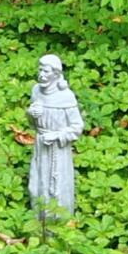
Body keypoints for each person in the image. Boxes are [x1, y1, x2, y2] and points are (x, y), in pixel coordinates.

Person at [27, 54, 82, 219]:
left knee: (57, 186)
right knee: (36, 184)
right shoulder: (36, 91)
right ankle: (39, 221)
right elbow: (32, 124)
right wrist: (31, 114)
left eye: (46, 71)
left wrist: (57, 135)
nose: (42, 75)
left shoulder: (66, 97)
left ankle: (59, 223)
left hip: (58, 150)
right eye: (40, 70)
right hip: (40, 145)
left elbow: (77, 127)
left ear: (56, 74)